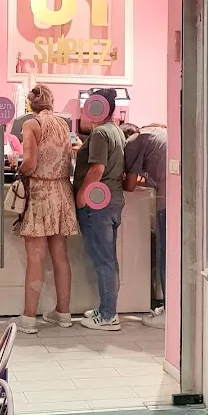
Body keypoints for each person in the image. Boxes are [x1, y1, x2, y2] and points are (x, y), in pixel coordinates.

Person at [16, 85, 78, 334]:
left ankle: (29, 318)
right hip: (61, 191)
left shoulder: (31, 124)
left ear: (30, 104)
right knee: (60, 256)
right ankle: (63, 312)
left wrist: (20, 170)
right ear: (51, 101)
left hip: (40, 192)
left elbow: (30, 163)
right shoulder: (63, 124)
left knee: (35, 257)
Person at [73, 87, 126, 331]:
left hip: (97, 202)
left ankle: (107, 315)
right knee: (109, 258)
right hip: (113, 199)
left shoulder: (100, 134)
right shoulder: (116, 131)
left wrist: (81, 196)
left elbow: (97, 169)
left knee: (102, 259)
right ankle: (108, 308)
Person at [124, 123, 168, 329]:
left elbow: (130, 184)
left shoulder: (134, 142)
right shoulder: (157, 135)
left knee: (165, 255)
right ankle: (172, 306)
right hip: (177, 197)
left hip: (167, 201)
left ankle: (169, 312)